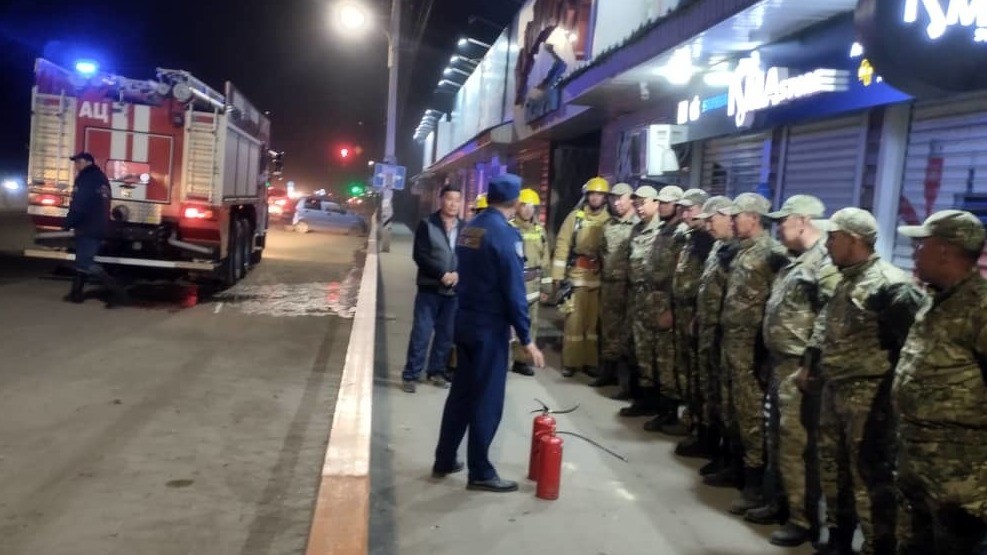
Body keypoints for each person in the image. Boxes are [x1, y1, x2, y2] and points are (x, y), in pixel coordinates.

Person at [798, 207, 925, 555]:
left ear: (853, 240)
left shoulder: (890, 284)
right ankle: (839, 540)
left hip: (868, 399)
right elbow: (826, 326)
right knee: (833, 468)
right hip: (835, 390)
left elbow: (914, 347)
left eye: (833, 237)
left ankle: (875, 546)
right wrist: (811, 363)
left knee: (868, 477)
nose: (827, 244)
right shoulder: (846, 279)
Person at [432, 174, 546, 493]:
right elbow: (514, 291)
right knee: (487, 399)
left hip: (464, 319)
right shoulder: (505, 236)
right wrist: (526, 338)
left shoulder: (471, 228)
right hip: (489, 328)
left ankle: (445, 458)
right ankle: (480, 471)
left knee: (461, 395)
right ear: (516, 202)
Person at [894, 210, 987, 555]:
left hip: (959, 474)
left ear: (944, 251)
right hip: (916, 457)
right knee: (912, 544)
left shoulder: (981, 306)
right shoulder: (936, 300)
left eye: (921, 244)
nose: (915, 252)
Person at [754, 196, 840, 545]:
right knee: (778, 439)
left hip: (801, 369)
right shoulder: (794, 260)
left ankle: (803, 520)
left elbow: (830, 318)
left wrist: (811, 365)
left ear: (802, 221)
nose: (778, 228)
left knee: (797, 445)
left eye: (783, 221)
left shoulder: (824, 262)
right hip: (781, 363)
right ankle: (780, 503)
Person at [709, 193, 786, 518]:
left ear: (754, 218)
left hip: (751, 347)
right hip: (732, 342)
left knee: (751, 413)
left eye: (737, 215)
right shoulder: (740, 250)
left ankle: (754, 484)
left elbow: (777, 303)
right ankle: (736, 467)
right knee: (731, 408)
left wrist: (765, 351)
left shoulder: (773, 254)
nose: (732, 220)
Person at [691, 196, 738, 478]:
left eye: (712, 220)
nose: (708, 226)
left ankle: (729, 458)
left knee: (728, 399)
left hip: (729, 336)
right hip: (709, 327)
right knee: (709, 389)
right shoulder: (719, 246)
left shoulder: (738, 251)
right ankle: (709, 443)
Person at [402, 184, 465, 393]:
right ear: (441, 200)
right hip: (429, 289)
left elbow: (469, 256)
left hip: (454, 292)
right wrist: (441, 274)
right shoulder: (427, 224)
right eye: (449, 199)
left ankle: (436, 371)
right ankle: (411, 375)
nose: (453, 204)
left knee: (446, 335)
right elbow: (420, 255)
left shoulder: (465, 228)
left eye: (457, 200)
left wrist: (458, 274)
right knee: (421, 333)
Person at [551, 177, 610, 378]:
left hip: (598, 278)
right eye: (592, 194)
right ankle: (571, 362)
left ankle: (590, 361)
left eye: (599, 194)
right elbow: (562, 244)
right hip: (576, 276)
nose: (595, 198)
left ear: (605, 198)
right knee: (573, 323)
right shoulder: (575, 217)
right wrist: (557, 276)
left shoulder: (608, 219)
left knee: (592, 325)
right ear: (587, 196)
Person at [669, 188, 714, 444]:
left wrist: (697, 314)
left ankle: (699, 425)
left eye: (690, 209)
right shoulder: (690, 237)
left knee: (697, 373)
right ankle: (688, 418)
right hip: (682, 309)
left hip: (696, 313)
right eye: (683, 209)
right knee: (685, 368)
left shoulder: (707, 241)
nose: (685, 214)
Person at [619, 185, 665, 418]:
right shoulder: (637, 229)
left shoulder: (663, 231)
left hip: (653, 299)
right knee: (635, 347)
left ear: (656, 203)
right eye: (636, 203)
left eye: (643, 202)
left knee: (650, 351)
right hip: (635, 296)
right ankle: (637, 396)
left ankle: (651, 400)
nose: (639, 207)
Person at [63, 152, 129, 308]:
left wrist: (68, 222)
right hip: (99, 225)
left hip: (87, 226)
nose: (76, 165)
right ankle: (76, 293)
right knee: (82, 260)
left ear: (87, 162)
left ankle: (119, 293)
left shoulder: (85, 178)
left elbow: (79, 205)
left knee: (85, 261)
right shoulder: (101, 178)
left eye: (78, 162)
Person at [593, 182, 637, 395]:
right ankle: (607, 373)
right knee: (608, 329)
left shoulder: (638, 226)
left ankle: (624, 381)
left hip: (629, 287)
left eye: (621, 198)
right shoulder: (608, 225)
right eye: (613, 198)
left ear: (631, 199)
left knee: (626, 334)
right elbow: (602, 252)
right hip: (609, 285)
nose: (616, 202)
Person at [508, 188, 552, 376]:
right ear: (517, 207)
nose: (527, 210)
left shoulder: (539, 231)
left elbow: (545, 260)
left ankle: (521, 361)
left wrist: (546, 287)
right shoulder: (509, 227)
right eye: (524, 205)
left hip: (533, 285)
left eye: (531, 206)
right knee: (510, 325)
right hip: (515, 283)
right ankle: (504, 359)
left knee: (530, 325)